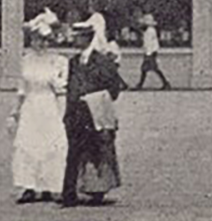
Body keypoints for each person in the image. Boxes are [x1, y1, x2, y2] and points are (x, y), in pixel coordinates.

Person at [61, 20, 128, 207]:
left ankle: (97, 190)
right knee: (73, 154)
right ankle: (69, 194)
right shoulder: (73, 62)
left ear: (88, 38)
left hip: (94, 114)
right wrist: (67, 113)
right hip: (76, 114)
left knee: (96, 152)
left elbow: (114, 88)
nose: (75, 41)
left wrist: (96, 100)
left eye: (78, 37)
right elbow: (70, 89)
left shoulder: (102, 61)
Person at [10, 12, 69, 204]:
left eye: (45, 40)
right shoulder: (26, 59)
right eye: (37, 40)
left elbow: (62, 88)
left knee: (52, 144)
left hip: (50, 104)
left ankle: (51, 187)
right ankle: (29, 186)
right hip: (31, 106)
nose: (41, 45)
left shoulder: (58, 60)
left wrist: (62, 111)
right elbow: (22, 88)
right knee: (28, 144)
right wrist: (15, 111)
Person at [135, 14, 170, 90]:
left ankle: (140, 84)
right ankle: (165, 83)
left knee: (149, 68)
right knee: (148, 69)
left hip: (150, 52)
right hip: (151, 52)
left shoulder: (150, 31)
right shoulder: (149, 31)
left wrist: (148, 54)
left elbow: (149, 43)